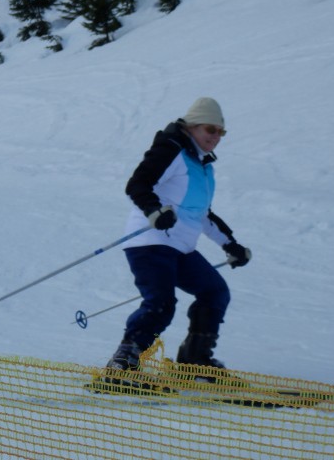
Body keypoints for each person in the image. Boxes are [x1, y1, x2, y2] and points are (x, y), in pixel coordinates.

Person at [105, 97, 252, 376]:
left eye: (221, 132)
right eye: (211, 129)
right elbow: (138, 184)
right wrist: (154, 210)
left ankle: (194, 360)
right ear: (192, 127)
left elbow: (203, 214)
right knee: (161, 303)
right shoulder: (171, 149)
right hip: (151, 241)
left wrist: (230, 244)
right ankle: (122, 363)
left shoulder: (204, 166)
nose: (216, 137)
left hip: (180, 247)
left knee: (214, 292)